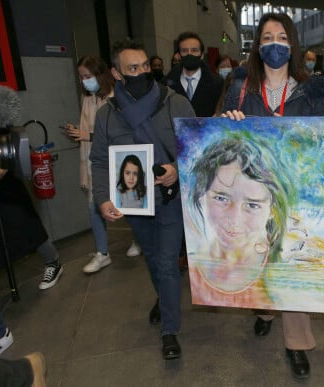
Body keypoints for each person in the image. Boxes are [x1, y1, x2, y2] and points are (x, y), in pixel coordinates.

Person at [222, 12, 324, 381]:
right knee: (259, 256)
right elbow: (218, 137)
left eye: (282, 37)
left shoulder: (311, 90)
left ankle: (297, 342)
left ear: (293, 44)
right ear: (257, 45)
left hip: (295, 193)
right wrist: (228, 121)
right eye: (267, 37)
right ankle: (266, 310)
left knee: (292, 263)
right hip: (252, 192)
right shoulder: (239, 88)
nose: (275, 44)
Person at [90, 39, 195, 360]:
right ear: (117, 73)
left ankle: (170, 331)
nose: (141, 73)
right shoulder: (107, 115)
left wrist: (177, 170)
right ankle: (165, 298)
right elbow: (99, 161)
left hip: (171, 198)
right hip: (135, 204)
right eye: (132, 69)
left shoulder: (174, 102)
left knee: (165, 263)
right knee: (153, 260)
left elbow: (199, 148)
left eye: (145, 67)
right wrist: (103, 198)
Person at [186, 135, 293, 308]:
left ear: (272, 209)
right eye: (221, 198)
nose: (234, 219)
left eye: (252, 205)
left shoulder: (289, 269)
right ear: (202, 195)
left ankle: (265, 318)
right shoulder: (194, 266)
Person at [0, 86, 63, 291]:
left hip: (7, 188)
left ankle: (53, 262)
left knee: (27, 225)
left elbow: (10, 152)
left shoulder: (2, 121)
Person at [63, 55, 116, 274]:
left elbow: (114, 133)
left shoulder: (113, 97)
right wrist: (76, 131)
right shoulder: (88, 98)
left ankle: (140, 241)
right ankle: (102, 252)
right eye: (81, 77)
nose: (84, 81)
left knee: (127, 204)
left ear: (99, 74)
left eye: (88, 76)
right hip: (92, 161)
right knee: (94, 207)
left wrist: (87, 134)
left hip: (112, 161)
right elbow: (87, 126)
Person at [165, 31, 224, 117]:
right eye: (185, 51)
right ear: (179, 55)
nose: (189, 54)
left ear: (202, 55)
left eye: (194, 50)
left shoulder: (218, 83)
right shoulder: (167, 85)